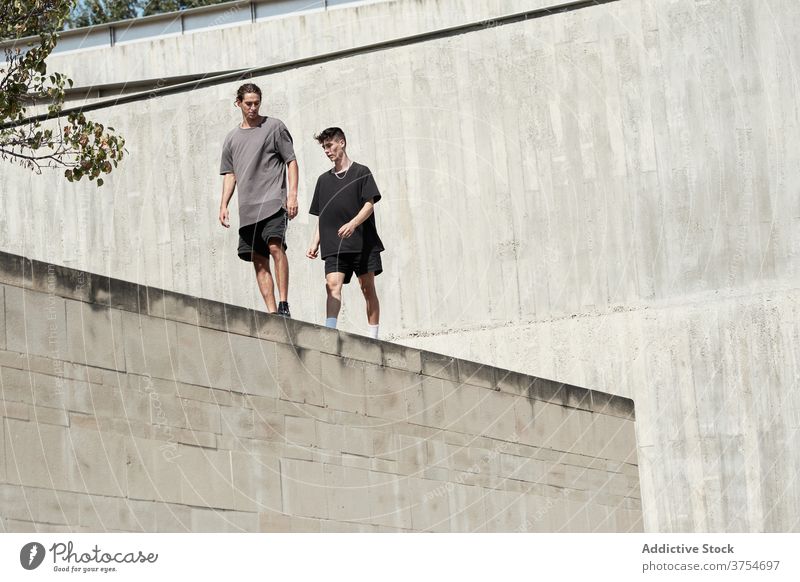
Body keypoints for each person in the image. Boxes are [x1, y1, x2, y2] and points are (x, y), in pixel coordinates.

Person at [218, 83, 298, 317]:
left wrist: (292, 195)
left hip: (274, 201)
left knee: (276, 247)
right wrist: (223, 204)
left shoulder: (274, 127)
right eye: (248, 103)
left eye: (256, 103)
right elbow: (230, 174)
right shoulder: (231, 138)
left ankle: (284, 305)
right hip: (247, 209)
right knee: (258, 260)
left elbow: (291, 161)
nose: (253, 108)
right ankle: (272, 313)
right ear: (238, 103)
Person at [306, 127, 384, 339]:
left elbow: (369, 204)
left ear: (342, 142)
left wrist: (353, 224)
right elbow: (322, 214)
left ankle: (373, 337)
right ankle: (330, 332)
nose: (327, 150)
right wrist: (315, 242)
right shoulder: (323, 180)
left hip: (363, 243)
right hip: (334, 245)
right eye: (324, 147)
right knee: (332, 285)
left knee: (367, 288)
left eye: (329, 145)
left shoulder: (361, 172)